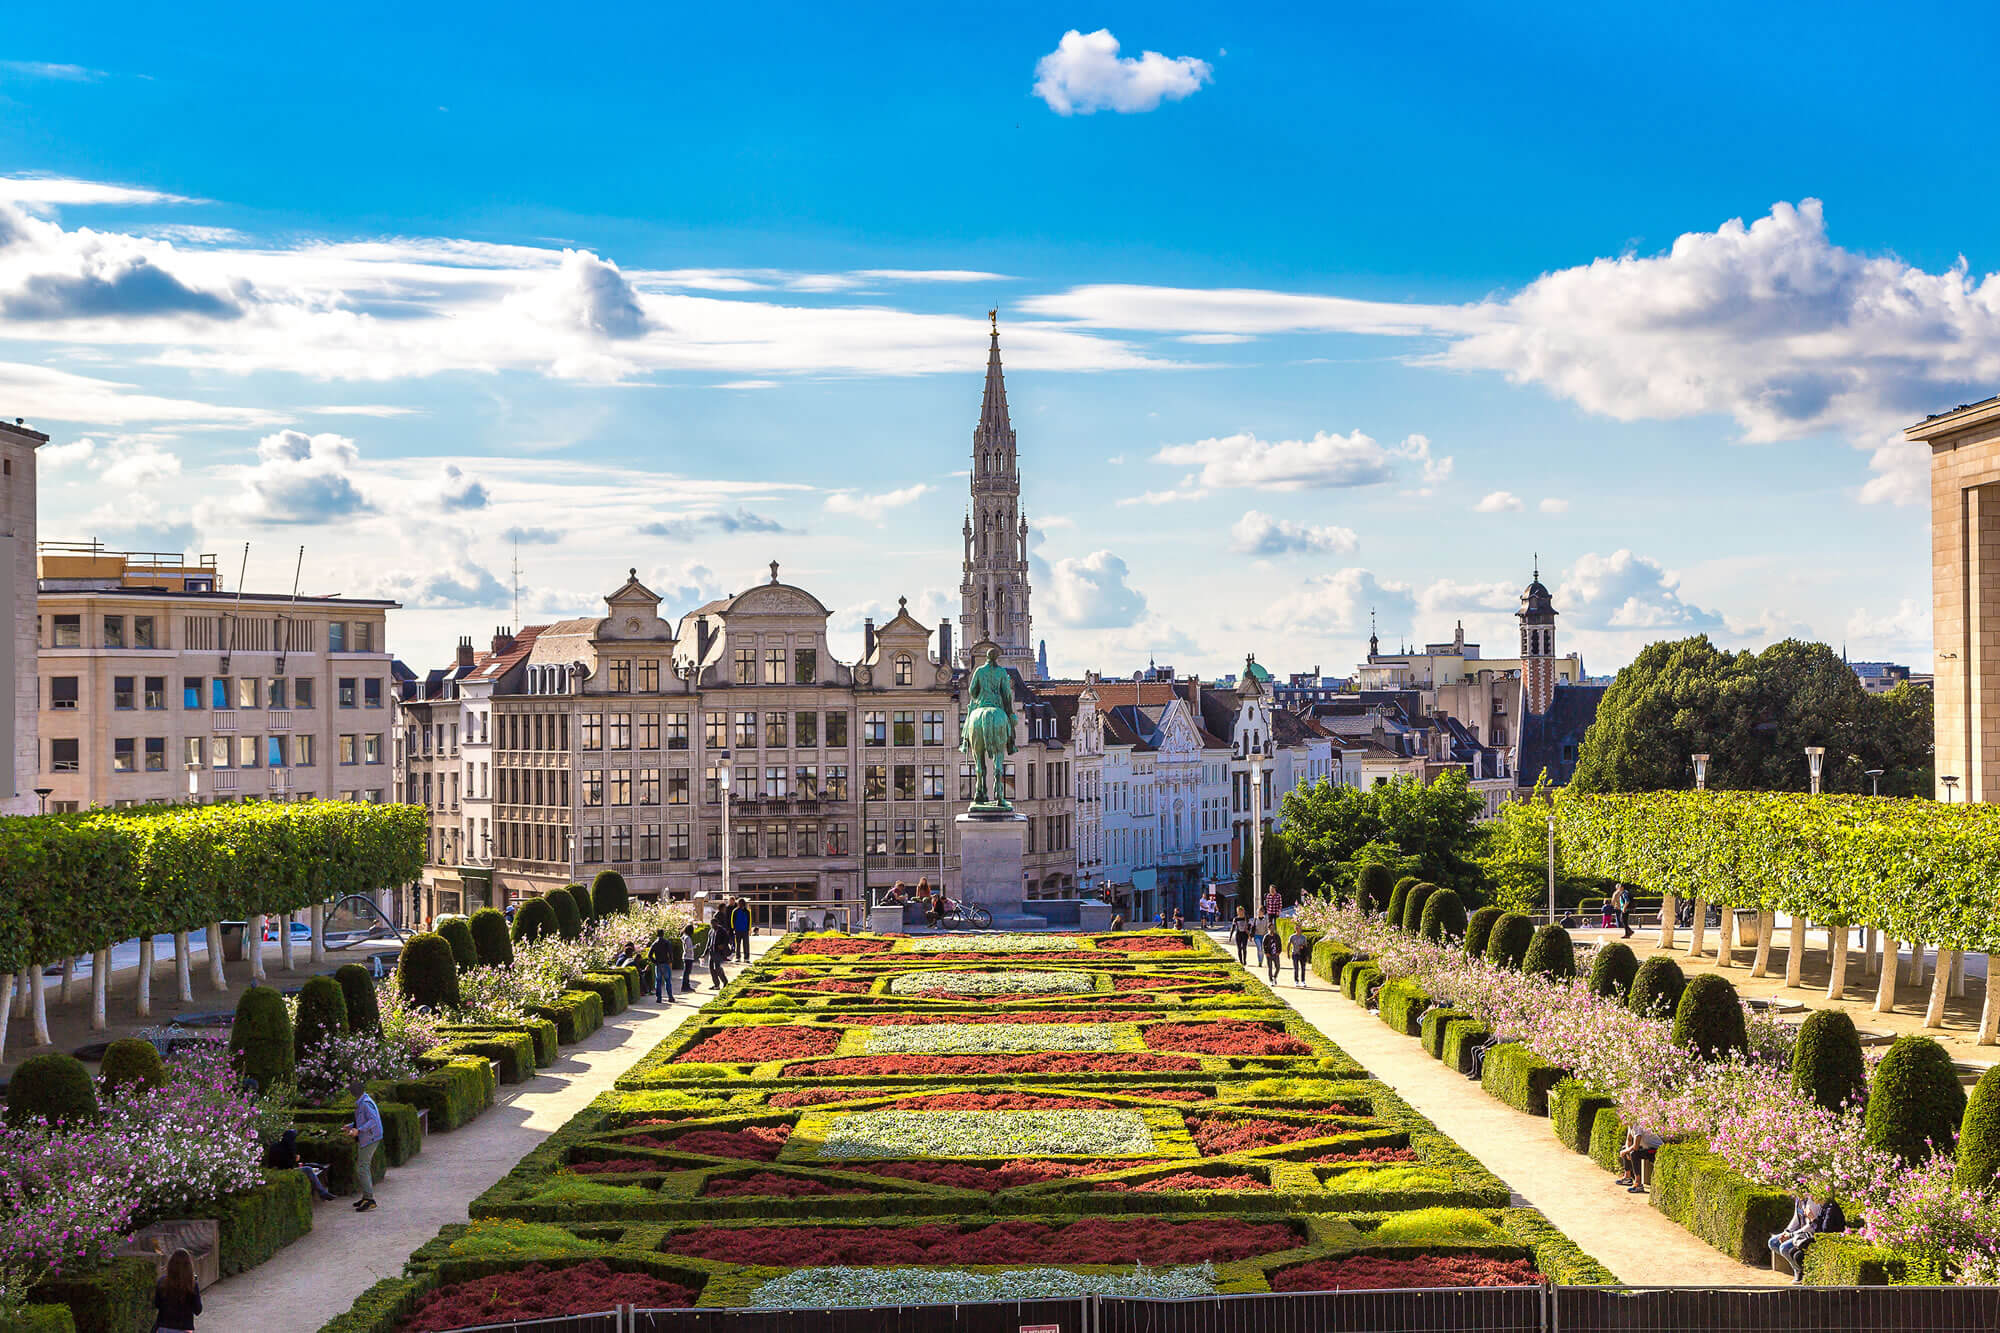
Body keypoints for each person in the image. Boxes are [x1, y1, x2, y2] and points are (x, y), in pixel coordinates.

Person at [344, 1078, 382, 1212]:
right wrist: (350, 1127)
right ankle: (366, 1197)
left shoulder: (365, 1103)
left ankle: (370, 1199)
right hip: (369, 1137)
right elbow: (363, 1119)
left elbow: (373, 1120)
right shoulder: (363, 1101)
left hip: (369, 1138)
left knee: (362, 1168)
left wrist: (358, 1130)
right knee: (362, 1167)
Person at [265, 1127, 333, 1201]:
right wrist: (295, 1159)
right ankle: (322, 1192)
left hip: (274, 1171)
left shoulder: (275, 1146)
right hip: (285, 1171)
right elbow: (288, 1165)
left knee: (308, 1168)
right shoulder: (289, 1147)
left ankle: (322, 1192)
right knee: (308, 1169)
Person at [154, 1248, 202, 1333]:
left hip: (164, 1326)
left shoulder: (162, 1282)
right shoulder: (192, 1285)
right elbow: (198, 1310)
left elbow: (157, 1304)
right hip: (184, 1328)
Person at [1615, 1124, 1663, 1191]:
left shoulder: (1638, 1126)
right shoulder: (1630, 1126)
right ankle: (1627, 1178)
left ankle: (1638, 1184)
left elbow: (1636, 1147)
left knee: (1634, 1154)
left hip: (1657, 1149)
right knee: (1626, 1149)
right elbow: (1629, 1140)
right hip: (1647, 1148)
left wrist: (1626, 1151)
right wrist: (1626, 1150)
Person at [648, 929, 676, 1004]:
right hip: (666, 963)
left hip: (658, 964)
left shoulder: (655, 943)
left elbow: (649, 955)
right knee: (668, 981)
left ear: (657, 934)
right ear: (663, 934)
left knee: (658, 981)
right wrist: (670, 961)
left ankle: (659, 998)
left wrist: (655, 962)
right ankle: (670, 997)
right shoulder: (667, 942)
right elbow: (670, 953)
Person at [707, 917, 731, 989]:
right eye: (712, 924)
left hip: (718, 952)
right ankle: (716, 984)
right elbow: (708, 943)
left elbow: (727, 939)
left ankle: (725, 981)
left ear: (717, 923)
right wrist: (704, 953)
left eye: (714, 924)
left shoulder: (722, 931)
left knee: (717, 968)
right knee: (711, 968)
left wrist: (723, 945)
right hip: (712, 952)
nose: (713, 925)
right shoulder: (711, 931)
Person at [680, 921, 699, 991]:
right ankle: (685, 986)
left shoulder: (684, 937)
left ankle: (686, 986)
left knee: (686, 972)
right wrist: (695, 947)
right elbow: (688, 948)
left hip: (686, 956)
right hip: (688, 957)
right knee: (687, 973)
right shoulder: (687, 938)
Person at [731, 897, 752, 962]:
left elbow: (749, 920)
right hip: (737, 930)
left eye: (742, 903)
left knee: (746, 944)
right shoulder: (735, 911)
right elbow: (732, 920)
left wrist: (749, 929)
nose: (741, 904)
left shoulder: (747, 911)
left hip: (745, 930)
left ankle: (746, 958)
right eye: (740, 903)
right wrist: (733, 928)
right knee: (738, 944)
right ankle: (738, 957)